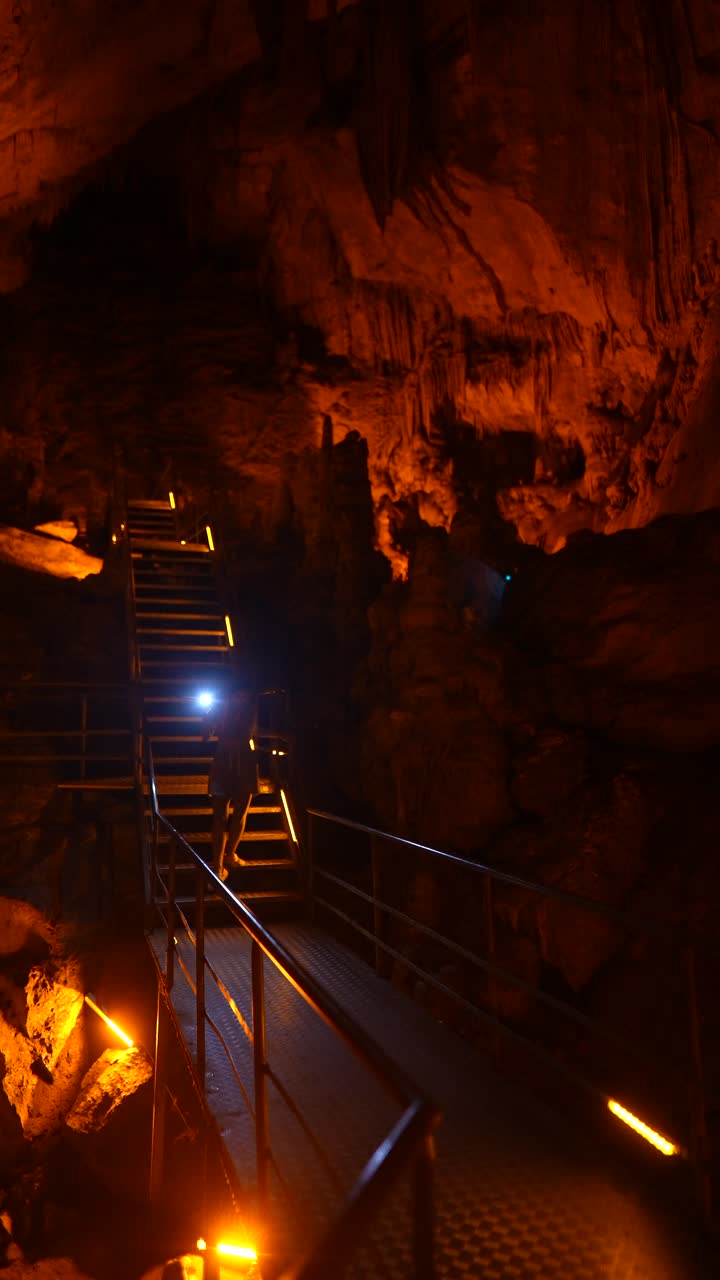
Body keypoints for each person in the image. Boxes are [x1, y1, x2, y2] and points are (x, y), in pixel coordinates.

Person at [208, 689, 257, 880]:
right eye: (237, 694)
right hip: (228, 764)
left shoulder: (249, 711)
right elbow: (205, 734)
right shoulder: (225, 710)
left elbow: (249, 734)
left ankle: (228, 856)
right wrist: (208, 717)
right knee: (221, 816)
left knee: (239, 812)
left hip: (240, 764)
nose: (240, 697)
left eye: (243, 694)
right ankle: (219, 865)